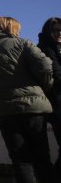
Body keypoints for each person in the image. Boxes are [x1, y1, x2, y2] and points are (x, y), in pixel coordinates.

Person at [0, 16, 55, 183]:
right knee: (42, 157)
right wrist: (45, 86)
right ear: (11, 28)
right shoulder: (23, 44)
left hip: (4, 111)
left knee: (21, 161)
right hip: (33, 109)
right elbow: (46, 66)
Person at [37, 17, 61, 178]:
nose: (59, 33)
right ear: (48, 31)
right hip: (55, 102)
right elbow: (57, 74)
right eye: (56, 30)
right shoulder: (44, 48)